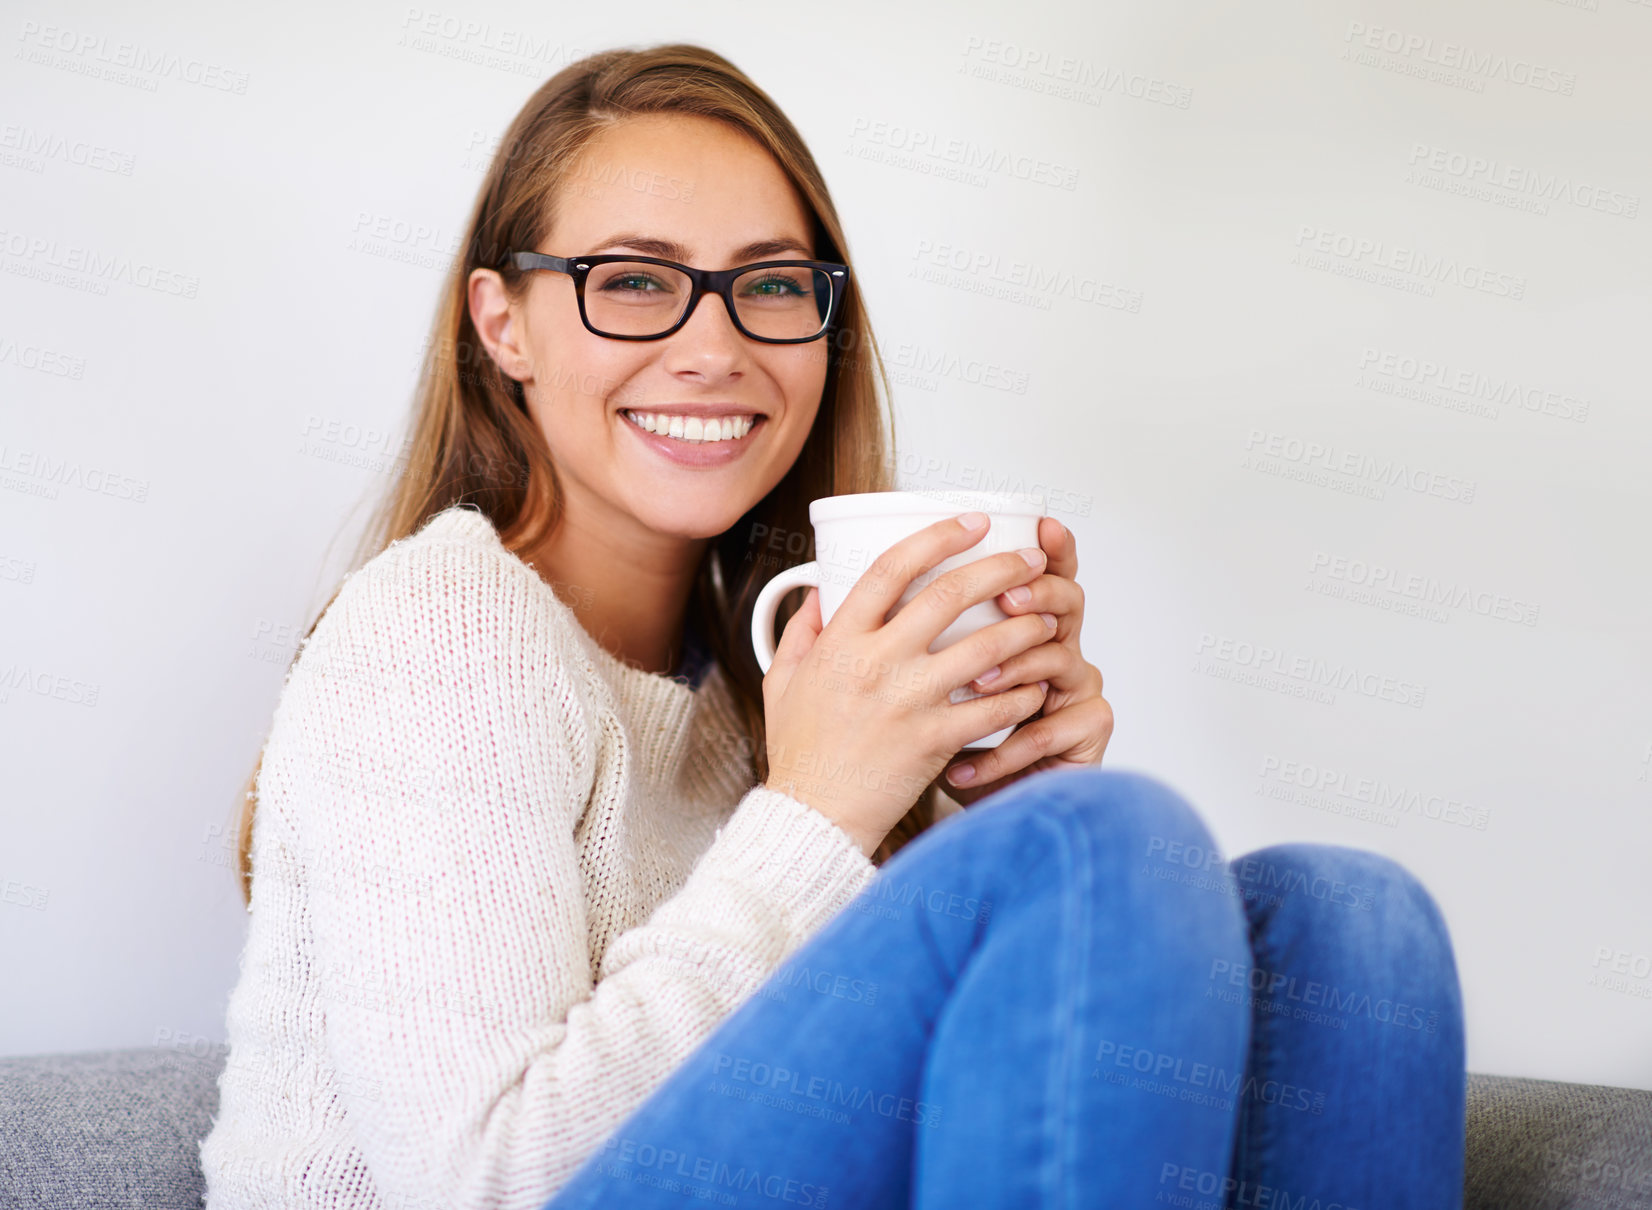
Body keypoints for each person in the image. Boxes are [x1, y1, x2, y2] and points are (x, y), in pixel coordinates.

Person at [198, 42, 1465, 1210]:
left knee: (1346, 925)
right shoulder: (443, 627)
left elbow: (852, 1107)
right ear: (502, 324)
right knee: (1104, 844)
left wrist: (977, 805)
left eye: (768, 285)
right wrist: (823, 814)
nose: (713, 345)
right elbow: (489, 1182)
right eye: (631, 282)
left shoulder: (759, 686)